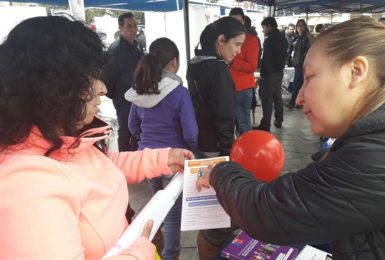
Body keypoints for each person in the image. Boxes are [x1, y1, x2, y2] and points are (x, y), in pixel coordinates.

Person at [197, 16, 385, 259]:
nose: (299, 98)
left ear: (356, 72)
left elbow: (267, 212)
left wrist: (219, 171)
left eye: (309, 77)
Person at [0, 16, 193, 260]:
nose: (103, 88)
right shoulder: (24, 185)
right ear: (55, 87)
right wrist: (140, 251)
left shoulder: (63, 138)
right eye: (92, 77)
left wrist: (163, 158)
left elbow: (103, 165)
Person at [125, 37, 198, 260]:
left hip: (147, 160)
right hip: (172, 163)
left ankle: (151, 251)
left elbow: (132, 125)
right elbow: (191, 132)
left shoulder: (141, 90)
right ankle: (170, 256)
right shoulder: (179, 93)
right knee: (173, 215)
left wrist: (145, 141)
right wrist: (188, 149)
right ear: (174, 62)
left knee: (155, 207)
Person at [186, 16, 246, 260]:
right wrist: (228, 155)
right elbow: (224, 116)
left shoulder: (195, 64)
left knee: (207, 208)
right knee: (221, 213)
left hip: (199, 142)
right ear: (220, 41)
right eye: (236, 44)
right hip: (216, 147)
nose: (239, 52)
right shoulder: (219, 69)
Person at [103, 12, 143, 153]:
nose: (134, 30)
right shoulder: (115, 50)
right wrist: (119, 97)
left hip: (139, 98)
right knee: (125, 132)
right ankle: (124, 165)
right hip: (124, 100)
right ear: (121, 28)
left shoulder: (137, 47)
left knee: (138, 131)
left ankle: (136, 161)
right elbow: (107, 80)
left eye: (135, 26)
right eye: (129, 26)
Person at [229, 8, 259, 135]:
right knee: (232, 123)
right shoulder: (226, 39)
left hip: (243, 88)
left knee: (243, 123)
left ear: (243, 21)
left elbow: (252, 66)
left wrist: (232, 61)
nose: (236, 23)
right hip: (228, 87)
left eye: (239, 21)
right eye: (232, 21)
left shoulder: (251, 40)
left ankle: (247, 152)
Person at [254, 17, 288, 130]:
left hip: (269, 74)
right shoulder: (283, 39)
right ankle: (279, 120)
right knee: (277, 97)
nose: (263, 30)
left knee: (267, 99)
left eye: (263, 27)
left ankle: (265, 125)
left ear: (269, 26)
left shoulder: (269, 40)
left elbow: (266, 60)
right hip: (279, 72)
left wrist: (262, 76)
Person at [288, 19, 313, 109]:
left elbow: (310, 51)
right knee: (301, 84)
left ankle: (293, 103)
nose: (300, 27)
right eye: (298, 26)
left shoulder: (307, 37)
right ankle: (300, 102)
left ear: (305, 26)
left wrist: (303, 58)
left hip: (302, 65)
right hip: (297, 64)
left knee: (296, 84)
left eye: (302, 25)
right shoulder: (297, 37)